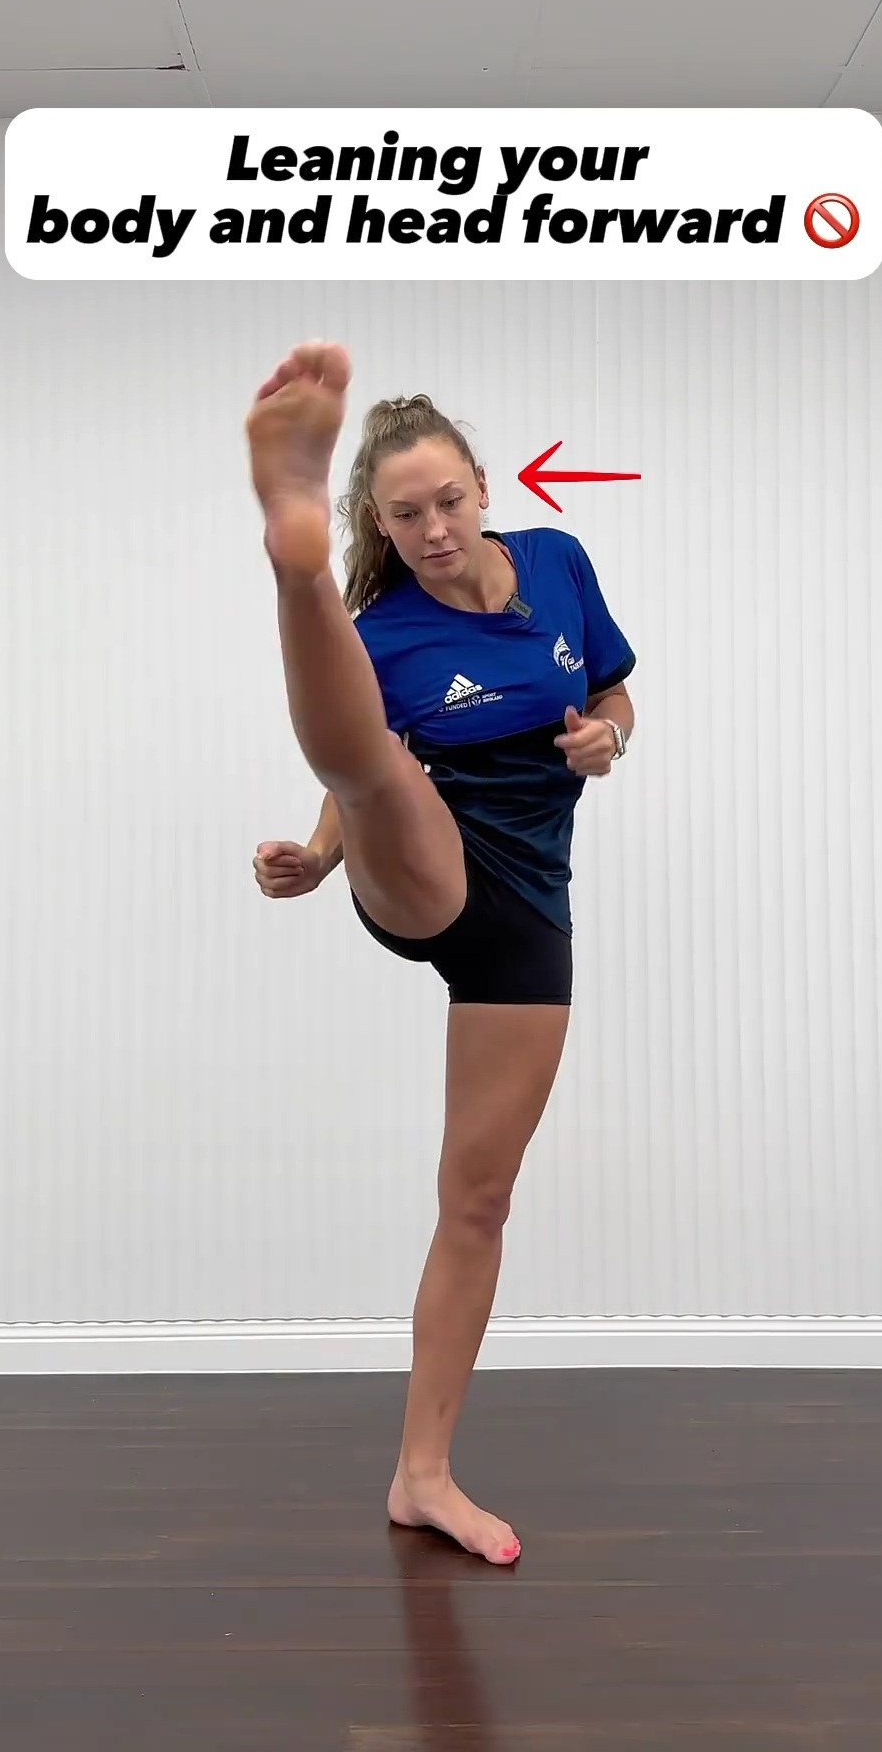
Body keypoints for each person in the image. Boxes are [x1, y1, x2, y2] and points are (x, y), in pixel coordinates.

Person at [248, 341, 636, 1566]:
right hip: (424, 867)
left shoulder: (560, 562)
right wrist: (323, 856)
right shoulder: (386, 631)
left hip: (531, 909)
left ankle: (422, 1475)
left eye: (450, 502)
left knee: (477, 1199)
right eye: (405, 515)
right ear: (375, 521)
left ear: (483, 486)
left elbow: (618, 693)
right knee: (379, 771)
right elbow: (353, 775)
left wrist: (609, 738)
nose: (433, 530)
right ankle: (291, 570)